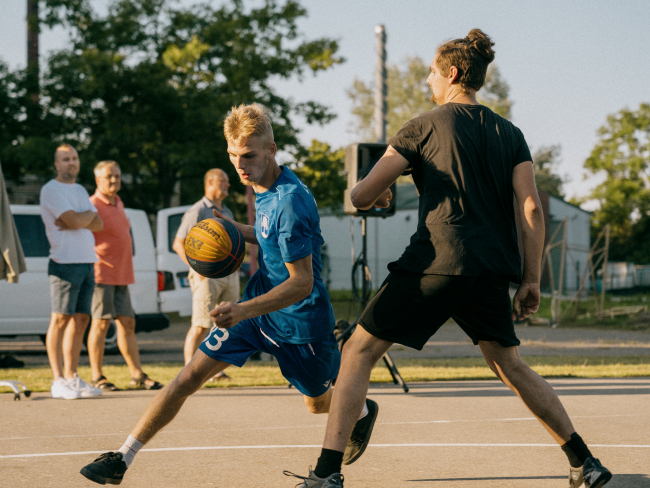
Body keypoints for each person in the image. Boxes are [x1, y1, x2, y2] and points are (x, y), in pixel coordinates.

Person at [291, 30, 613, 488]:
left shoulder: (421, 127)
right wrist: (531, 280)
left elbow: (360, 193)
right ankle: (585, 462)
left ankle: (326, 473)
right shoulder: (511, 133)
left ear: (452, 73)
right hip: (488, 270)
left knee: (357, 351)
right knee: (510, 365)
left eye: (430, 72)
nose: (427, 80)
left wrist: (380, 193)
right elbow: (531, 208)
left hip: (434, 263)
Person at [79, 103, 377, 485]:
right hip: (255, 314)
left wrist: (240, 309)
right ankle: (121, 457)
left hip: (301, 325)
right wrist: (235, 228)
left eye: (249, 155)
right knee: (187, 377)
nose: (240, 165)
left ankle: (362, 411)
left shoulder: (290, 201)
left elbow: (301, 282)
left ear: (272, 148)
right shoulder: (263, 188)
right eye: (234, 155)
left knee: (318, 403)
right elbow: (268, 235)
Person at [87, 160, 163, 391]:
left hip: (122, 273)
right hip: (101, 273)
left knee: (128, 323)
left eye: (117, 176)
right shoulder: (92, 205)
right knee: (101, 324)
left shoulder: (118, 202)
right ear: (98, 180)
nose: (114, 180)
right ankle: (97, 376)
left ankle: (137, 374)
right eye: (109, 176)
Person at [40, 144, 103, 400]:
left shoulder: (79, 189)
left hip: (87, 261)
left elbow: (97, 223)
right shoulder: (50, 189)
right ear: (56, 164)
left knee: (81, 321)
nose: (71, 163)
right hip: (64, 263)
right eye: (65, 159)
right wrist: (82, 218)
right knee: (60, 320)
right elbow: (76, 221)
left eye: (74, 158)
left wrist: (81, 217)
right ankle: (57, 380)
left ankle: (72, 376)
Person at [171, 168, 239, 380]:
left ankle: (215, 371)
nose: (228, 184)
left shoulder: (227, 211)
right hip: (207, 275)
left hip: (229, 274)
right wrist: (196, 267)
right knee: (201, 324)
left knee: (226, 323)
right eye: (223, 180)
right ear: (210, 182)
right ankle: (188, 373)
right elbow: (178, 243)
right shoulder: (198, 210)